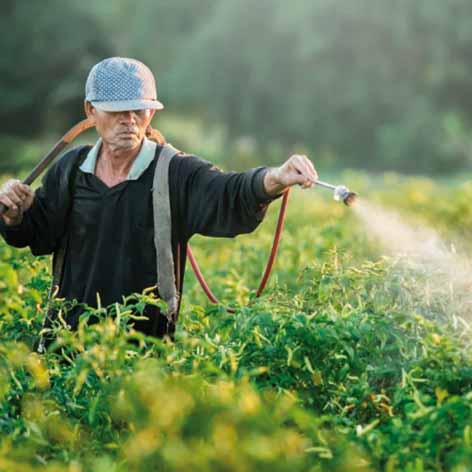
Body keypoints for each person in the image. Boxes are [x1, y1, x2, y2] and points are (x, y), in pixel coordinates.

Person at [0, 57, 318, 350]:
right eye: (117, 111)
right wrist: (16, 215)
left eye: (139, 110)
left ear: (151, 112)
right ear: (90, 111)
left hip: (144, 354)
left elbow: (227, 192)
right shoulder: (70, 170)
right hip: (67, 346)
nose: (129, 120)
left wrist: (276, 177)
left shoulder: (175, 172)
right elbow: (38, 233)